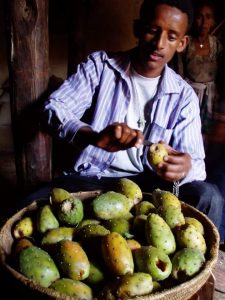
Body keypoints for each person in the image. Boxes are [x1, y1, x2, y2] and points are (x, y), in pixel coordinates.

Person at [36, 0, 224, 232]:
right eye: (153, 31)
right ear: (138, 28)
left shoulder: (183, 96)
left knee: (209, 196)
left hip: (149, 185)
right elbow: (53, 108)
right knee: (29, 207)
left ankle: (209, 267)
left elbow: (196, 164)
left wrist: (184, 166)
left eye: (171, 37)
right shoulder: (101, 67)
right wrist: (92, 137)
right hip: (92, 178)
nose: (159, 44)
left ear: (183, 43)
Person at [176, 0, 224, 139]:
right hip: (190, 94)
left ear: (213, 21)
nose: (204, 22)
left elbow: (221, 73)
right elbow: (178, 75)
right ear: (193, 20)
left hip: (211, 97)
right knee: (190, 132)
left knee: (208, 136)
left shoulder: (216, 45)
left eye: (208, 17)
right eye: (199, 17)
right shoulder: (186, 43)